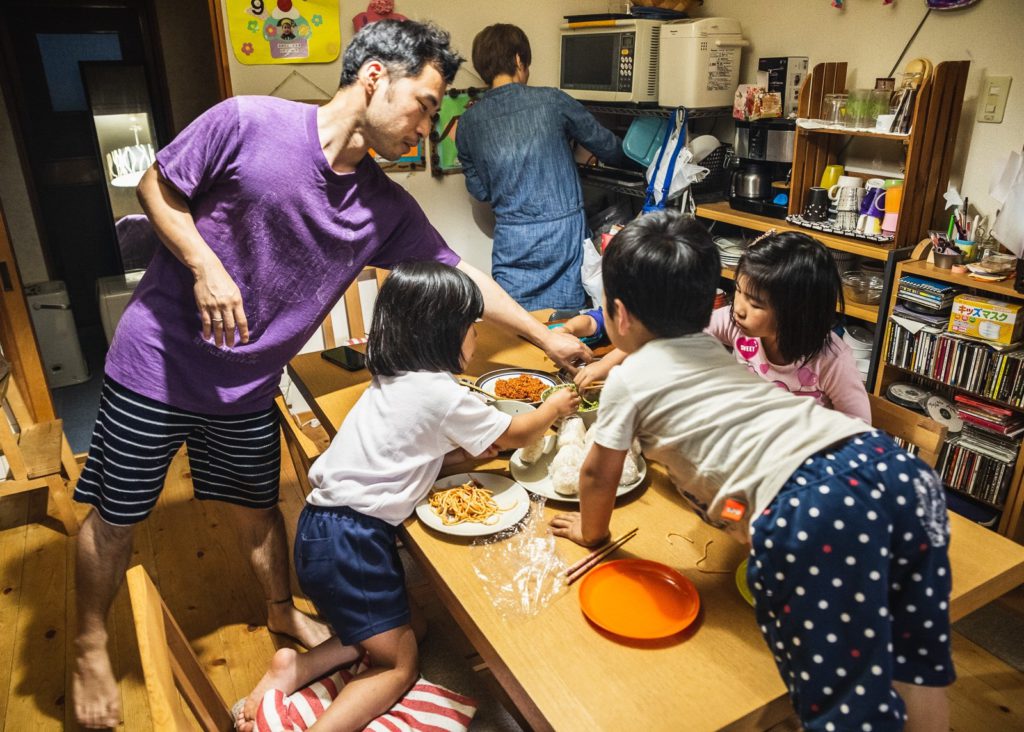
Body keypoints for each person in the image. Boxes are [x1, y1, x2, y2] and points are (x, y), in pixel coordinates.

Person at [71, 19, 589, 729]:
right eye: (426, 104)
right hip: (155, 362)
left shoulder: (382, 205)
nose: (428, 127)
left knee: (259, 512)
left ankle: (282, 616)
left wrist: (543, 335)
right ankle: (89, 645)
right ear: (375, 76)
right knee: (116, 517)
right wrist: (204, 264)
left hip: (249, 382)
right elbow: (156, 188)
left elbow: (461, 272)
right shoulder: (248, 121)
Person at [550, 211, 954, 731]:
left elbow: (596, 476)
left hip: (815, 505)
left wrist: (592, 532)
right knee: (914, 660)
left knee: (843, 704)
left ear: (619, 315)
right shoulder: (719, 350)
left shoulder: (632, 376)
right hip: (891, 467)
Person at [234, 261, 580, 730]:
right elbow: (518, 432)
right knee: (399, 666)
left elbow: (427, 457)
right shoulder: (441, 393)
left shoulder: (397, 380)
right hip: (351, 542)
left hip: (329, 533)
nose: (476, 339)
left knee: (412, 628)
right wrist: (553, 407)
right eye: (471, 329)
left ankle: (295, 668)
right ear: (444, 334)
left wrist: (478, 451)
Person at [574, 231, 871, 422]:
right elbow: (671, 331)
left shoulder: (831, 359)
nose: (738, 308)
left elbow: (859, 430)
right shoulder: (737, 324)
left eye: (755, 304)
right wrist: (607, 364)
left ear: (797, 311)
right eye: (738, 292)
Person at [456, 23, 627, 311]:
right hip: (563, 235)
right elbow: (608, 147)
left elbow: (480, 191)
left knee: (519, 324)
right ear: (519, 60)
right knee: (566, 321)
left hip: (513, 240)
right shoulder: (552, 101)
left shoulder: (468, 123)